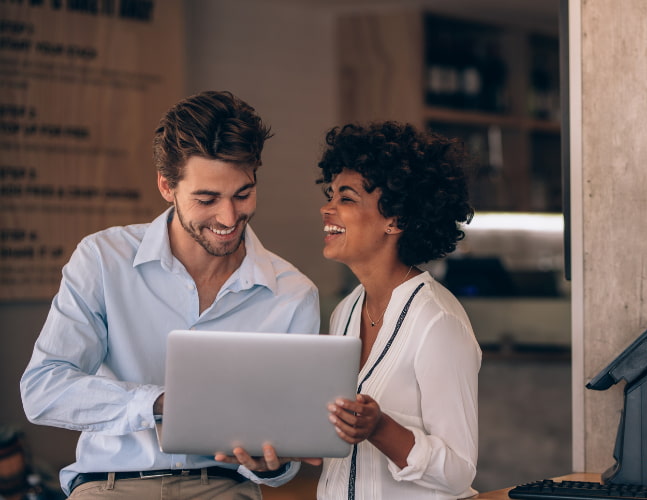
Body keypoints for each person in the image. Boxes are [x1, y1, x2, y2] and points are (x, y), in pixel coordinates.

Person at [19, 90, 320, 499]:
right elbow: (44, 388)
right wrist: (159, 402)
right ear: (166, 186)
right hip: (111, 486)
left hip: (225, 488)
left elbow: (283, 463)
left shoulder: (293, 293)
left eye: (242, 194)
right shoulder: (103, 260)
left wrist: (277, 464)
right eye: (207, 199)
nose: (228, 218)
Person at [315, 121, 482, 499]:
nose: (327, 208)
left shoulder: (438, 322)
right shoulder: (345, 311)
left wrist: (380, 429)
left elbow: (459, 471)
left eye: (346, 198)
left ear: (397, 220)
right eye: (330, 194)